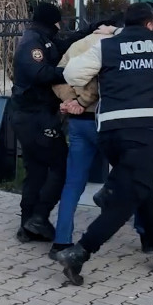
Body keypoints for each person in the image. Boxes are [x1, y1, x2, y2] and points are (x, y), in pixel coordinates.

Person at [55, 3, 153, 285]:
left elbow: (72, 74)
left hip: (110, 131)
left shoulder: (106, 46)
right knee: (129, 197)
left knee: (144, 189)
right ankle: (80, 252)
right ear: (151, 24)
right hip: (144, 132)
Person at [51, 15, 121, 251]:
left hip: (78, 122)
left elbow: (58, 77)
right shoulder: (111, 45)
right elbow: (99, 83)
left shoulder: (76, 45)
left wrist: (71, 101)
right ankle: (147, 233)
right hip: (103, 120)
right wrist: (82, 102)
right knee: (130, 175)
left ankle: (61, 240)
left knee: (73, 183)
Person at [10, 2, 69, 243]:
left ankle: (28, 226)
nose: (60, 27)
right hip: (35, 115)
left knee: (36, 170)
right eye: (58, 22)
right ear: (52, 22)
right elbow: (40, 73)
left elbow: (64, 44)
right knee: (60, 166)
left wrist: (91, 29)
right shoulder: (32, 43)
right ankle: (38, 218)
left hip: (33, 114)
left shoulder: (42, 39)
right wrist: (70, 73)